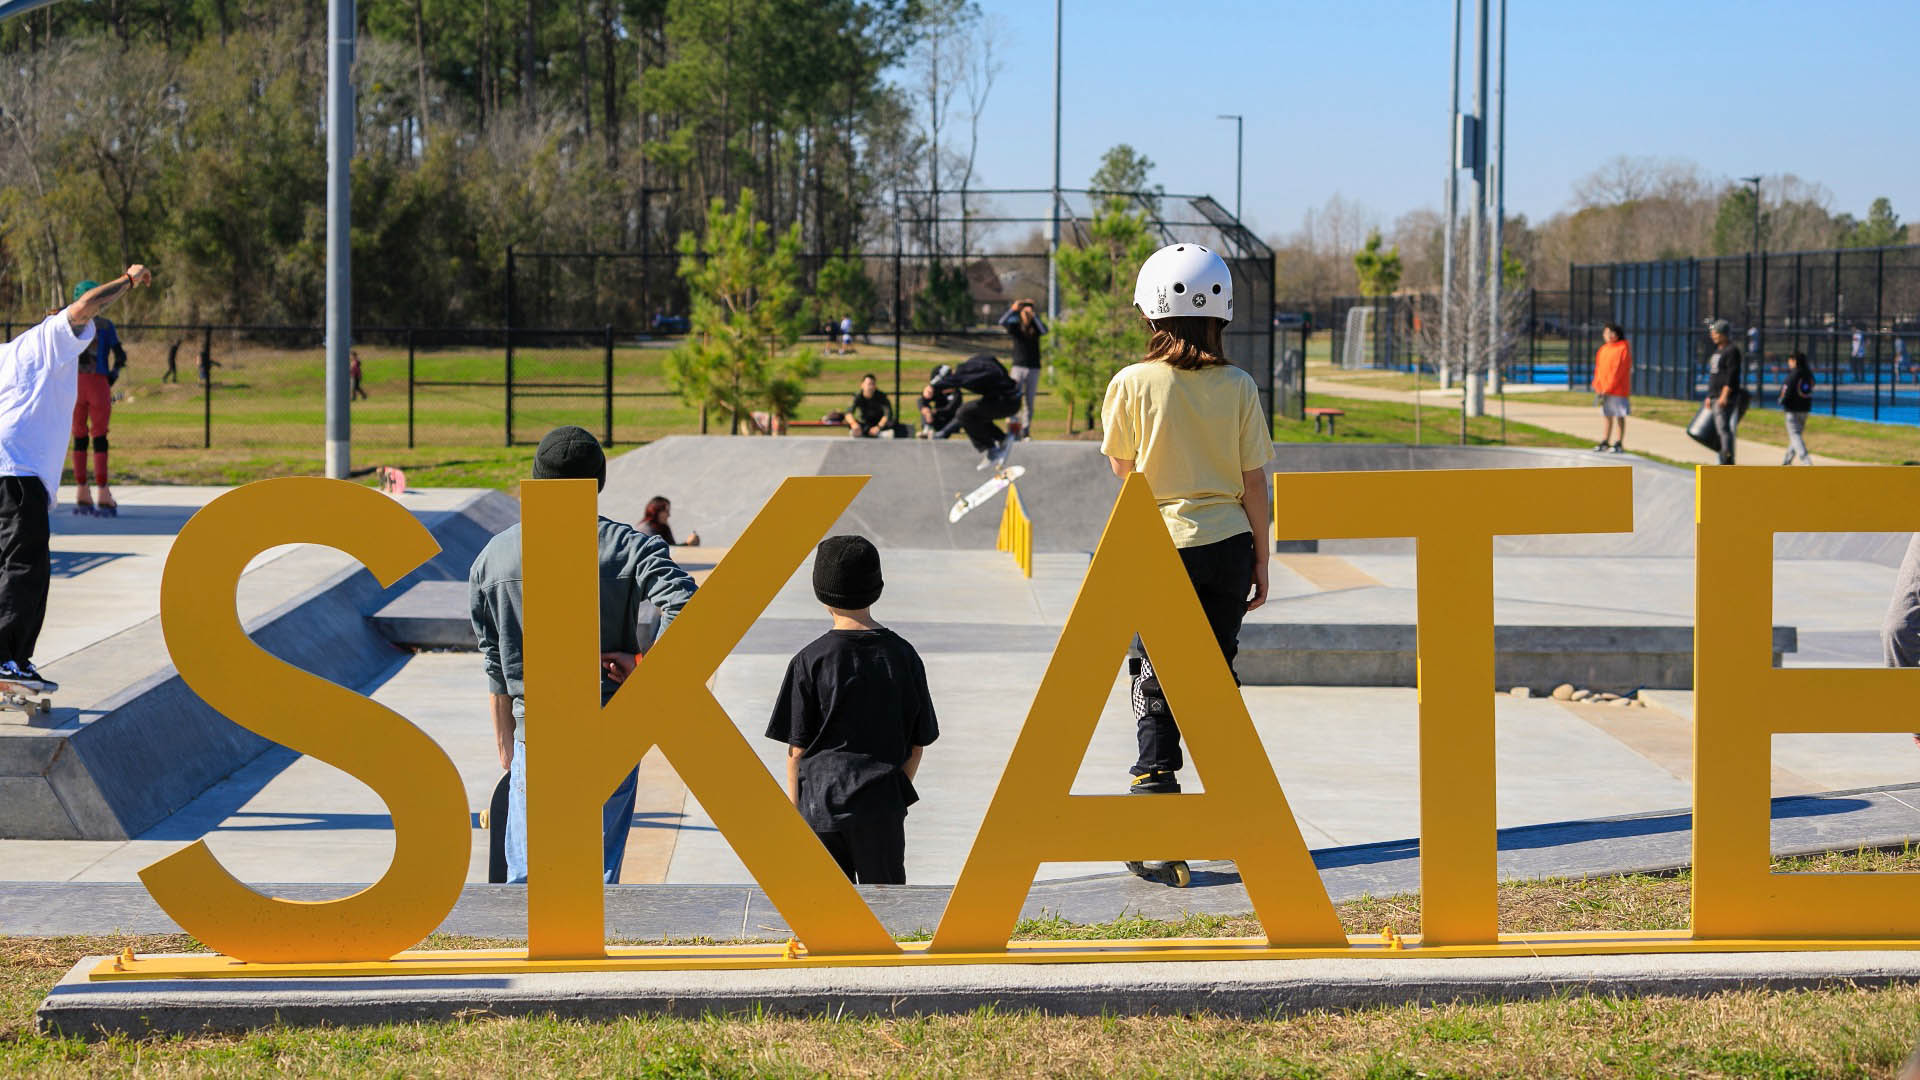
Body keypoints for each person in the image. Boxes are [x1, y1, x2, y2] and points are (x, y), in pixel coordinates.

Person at [468, 426, 699, 885]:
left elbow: (494, 658)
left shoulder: (494, 557)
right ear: (599, 481)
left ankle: (529, 952)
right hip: (608, 725)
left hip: (536, 731)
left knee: (527, 882)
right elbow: (689, 605)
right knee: (597, 876)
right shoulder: (628, 547)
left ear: (535, 480)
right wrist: (645, 667)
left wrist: (506, 742)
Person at [1100, 243, 1270, 841]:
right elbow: (1254, 484)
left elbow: (1125, 472)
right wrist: (1261, 559)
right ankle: (1238, 797)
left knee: (1153, 670)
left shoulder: (1131, 383)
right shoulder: (1241, 385)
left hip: (1158, 544)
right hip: (1227, 546)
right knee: (1213, 670)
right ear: (1221, 313)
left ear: (1149, 313)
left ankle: (1154, 784)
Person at [0, 267, 152, 691]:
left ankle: (12, 659)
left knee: (12, 564)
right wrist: (128, 278)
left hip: (8, 472)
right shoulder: (49, 338)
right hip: (19, 472)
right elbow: (85, 307)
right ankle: (6, 659)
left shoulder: (6, 353)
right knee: (24, 565)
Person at [765, 534, 937, 884]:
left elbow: (797, 750)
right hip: (882, 803)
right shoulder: (904, 655)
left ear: (821, 592)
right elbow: (919, 742)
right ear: (877, 587)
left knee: (828, 911)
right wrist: (893, 792)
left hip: (821, 804)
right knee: (886, 907)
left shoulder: (809, 660)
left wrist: (797, 812)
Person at [66, 280, 128, 516]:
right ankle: (103, 492)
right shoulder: (105, 325)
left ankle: (82, 492)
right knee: (100, 437)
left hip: (74, 385)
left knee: (79, 437)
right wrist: (111, 377)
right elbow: (120, 356)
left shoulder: (68, 326)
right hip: (98, 383)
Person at [928, 352, 1022, 469]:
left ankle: (991, 449)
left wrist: (932, 386)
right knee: (975, 413)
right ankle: (1002, 438)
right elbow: (989, 358)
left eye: (944, 390)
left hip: (1007, 402)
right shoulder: (971, 364)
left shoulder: (964, 374)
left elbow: (956, 379)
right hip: (1011, 398)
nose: (946, 392)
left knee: (963, 413)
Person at [999, 298, 1047, 438]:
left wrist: (1034, 316)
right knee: (1014, 398)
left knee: (1029, 401)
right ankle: (1013, 429)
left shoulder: (1036, 327)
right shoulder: (1016, 325)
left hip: (1033, 368)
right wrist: (1013, 310)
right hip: (1018, 366)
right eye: (1024, 308)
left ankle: (1025, 430)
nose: (1027, 311)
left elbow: (1044, 331)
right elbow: (1001, 322)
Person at [1705, 318, 1743, 465]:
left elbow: (1731, 375)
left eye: (1715, 332)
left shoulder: (1732, 351)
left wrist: (1724, 395)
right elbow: (1715, 375)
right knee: (1719, 429)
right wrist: (1709, 395)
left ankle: (1727, 460)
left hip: (1724, 397)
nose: (1712, 335)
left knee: (1723, 428)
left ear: (1723, 334)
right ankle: (1721, 457)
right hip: (1714, 395)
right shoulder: (1718, 351)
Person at [1591, 322, 1632, 454]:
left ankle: (1619, 442)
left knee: (1620, 415)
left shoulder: (1622, 349)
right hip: (1604, 389)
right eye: (1606, 333)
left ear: (1618, 334)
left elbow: (1618, 371)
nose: (1609, 335)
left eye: (1612, 333)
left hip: (1618, 390)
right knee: (1607, 415)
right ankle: (1605, 440)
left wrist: (1609, 386)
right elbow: (1599, 369)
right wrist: (1598, 385)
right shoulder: (1603, 349)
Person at [1779, 350, 1815, 465]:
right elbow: (1812, 385)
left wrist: (1781, 401)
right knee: (1796, 436)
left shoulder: (1793, 375)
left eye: (1790, 360)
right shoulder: (1808, 374)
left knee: (1795, 435)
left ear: (1794, 361)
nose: (1789, 363)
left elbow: (1785, 391)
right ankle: (1787, 461)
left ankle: (1806, 462)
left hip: (1792, 410)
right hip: (1805, 409)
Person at [917, 363, 962, 439]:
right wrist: (924, 409)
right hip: (936, 418)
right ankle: (926, 429)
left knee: (961, 415)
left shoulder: (956, 391)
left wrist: (936, 411)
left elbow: (950, 408)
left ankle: (941, 434)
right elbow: (921, 400)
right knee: (926, 410)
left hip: (950, 420)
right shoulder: (936, 390)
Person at [636, 495, 700, 547]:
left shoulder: (663, 527)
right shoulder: (645, 529)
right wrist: (687, 544)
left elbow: (672, 547)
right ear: (656, 512)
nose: (669, 515)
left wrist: (689, 544)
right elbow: (660, 551)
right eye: (666, 511)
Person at [846, 373, 897, 438]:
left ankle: (879, 434)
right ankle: (863, 433)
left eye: (873, 384)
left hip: (878, 424)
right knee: (852, 426)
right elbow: (848, 413)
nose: (870, 387)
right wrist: (854, 424)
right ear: (862, 385)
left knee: (890, 425)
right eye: (868, 384)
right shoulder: (857, 396)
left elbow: (887, 415)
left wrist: (878, 427)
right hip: (864, 424)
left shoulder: (881, 396)